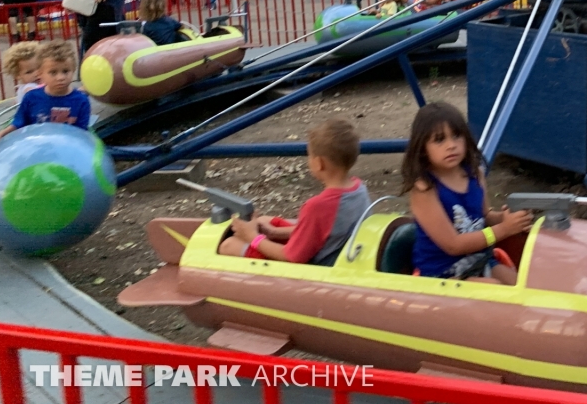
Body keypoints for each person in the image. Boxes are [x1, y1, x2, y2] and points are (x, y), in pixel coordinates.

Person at [402, 102, 532, 284]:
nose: (451, 145)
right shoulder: (424, 189)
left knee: (522, 286)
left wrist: (508, 219)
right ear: (422, 148)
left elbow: (484, 216)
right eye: (439, 140)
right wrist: (504, 229)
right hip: (443, 273)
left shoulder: (475, 173)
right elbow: (453, 245)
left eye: (456, 136)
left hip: (480, 260)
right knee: (496, 292)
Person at [219, 119, 370, 264]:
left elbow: (292, 256)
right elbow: (319, 233)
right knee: (263, 221)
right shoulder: (358, 188)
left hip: (312, 268)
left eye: (310, 156)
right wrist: (273, 232)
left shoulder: (318, 206)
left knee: (229, 245)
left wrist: (252, 237)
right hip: (337, 253)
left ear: (319, 163)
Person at [0, 40, 91, 146]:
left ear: (73, 69)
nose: (60, 77)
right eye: (53, 72)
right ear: (40, 73)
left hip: (67, 148)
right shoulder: (31, 97)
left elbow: (82, 134)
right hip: (37, 148)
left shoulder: (81, 100)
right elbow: (18, 123)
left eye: (65, 71)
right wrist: (0, 134)